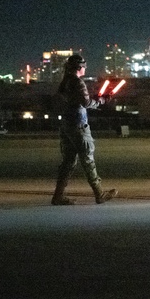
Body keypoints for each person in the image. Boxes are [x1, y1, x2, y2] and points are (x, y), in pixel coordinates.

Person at [51, 54, 118, 205]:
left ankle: (58, 195)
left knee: (68, 161)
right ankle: (99, 193)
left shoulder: (65, 81)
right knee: (88, 159)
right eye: (84, 67)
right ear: (80, 68)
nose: (85, 69)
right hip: (79, 125)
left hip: (67, 125)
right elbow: (86, 103)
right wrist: (101, 101)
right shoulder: (78, 82)